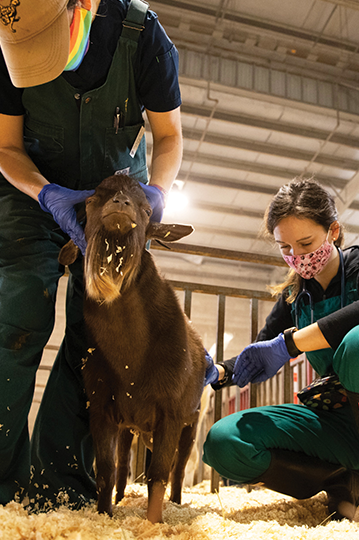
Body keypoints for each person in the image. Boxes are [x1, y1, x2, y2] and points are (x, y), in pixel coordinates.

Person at [0, 0, 182, 509]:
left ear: (80, 7)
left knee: (98, 339)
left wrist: (157, 194)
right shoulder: (9, 25)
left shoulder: (141, 35)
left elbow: (168, 136)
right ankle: (0, 488)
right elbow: (5, 145)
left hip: (113, 199)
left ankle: (58, 489)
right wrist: (46, 195)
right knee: (17, 314)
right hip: (30, 191)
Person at [203, 178, 359, 532]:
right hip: (340, 422)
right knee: (225, 442)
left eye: (307, 243)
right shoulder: (295, 296)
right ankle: (342, 481)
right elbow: (260, 350)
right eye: (285, 248)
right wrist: (218, 371)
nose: (298, 257)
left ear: (334, 231)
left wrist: (292, 344)